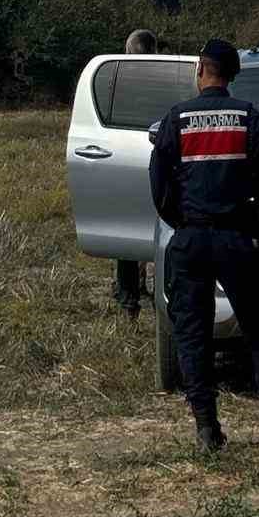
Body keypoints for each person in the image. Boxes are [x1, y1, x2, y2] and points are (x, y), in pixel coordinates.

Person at [149, 38, 259, 453]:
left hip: (191, 238)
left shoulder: (176, 119)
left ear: (202, 70)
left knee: (193, 334)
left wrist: (181, 222)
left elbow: (159, 184)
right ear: (233, 75)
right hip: (236, 238)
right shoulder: (249, 119)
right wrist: (254, 223)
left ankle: (206, 430)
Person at [114, 27, 159, 318]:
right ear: (154, 50)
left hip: (127, 159)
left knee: (127, 230)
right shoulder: (161, 79)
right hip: (159, 158)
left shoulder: (119, 80)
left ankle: (129, 296)